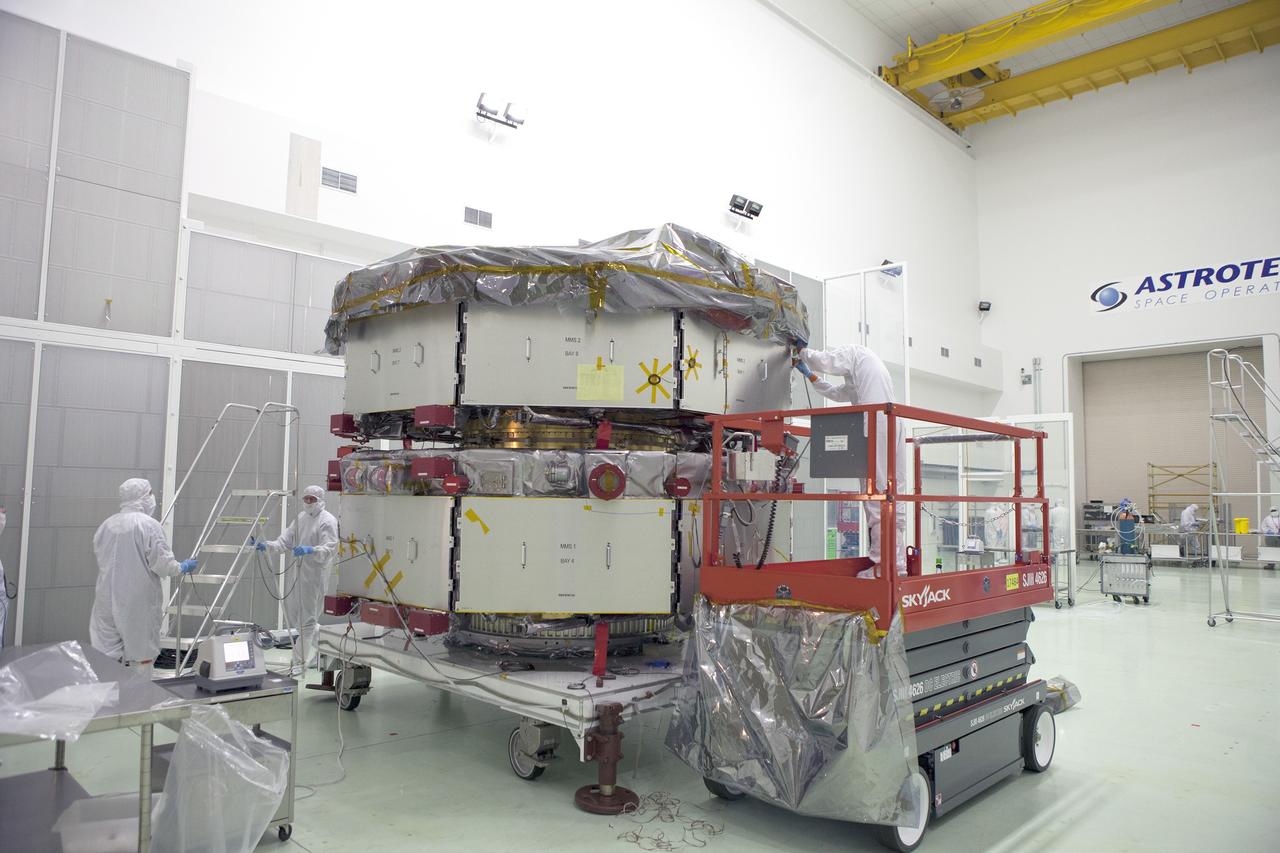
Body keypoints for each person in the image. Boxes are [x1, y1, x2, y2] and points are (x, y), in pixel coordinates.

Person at [794, 342, 906, 577]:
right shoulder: (863, 371)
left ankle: (881, 567)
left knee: (876, 496)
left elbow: (826, 361)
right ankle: (897, 564)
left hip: (876, 427)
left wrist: (802, 351)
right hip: (894, 424)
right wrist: (810, 376)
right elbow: (837, 393)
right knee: (895, 496)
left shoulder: (855, 352)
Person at [90, 479, 197, 679]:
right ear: (142, 497)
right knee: (142, 655)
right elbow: (162, 562)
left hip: (105, 598)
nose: (152, 498)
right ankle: (139, 701)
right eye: (150, 494)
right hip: (136, 601)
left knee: (106, 652)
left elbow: (100, 554)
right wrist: (180, 567)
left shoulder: (107, 525)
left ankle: (107, 701)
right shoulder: (148, 525)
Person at [256, 485, 338, 674]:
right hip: (299, 574)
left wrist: (312, 550)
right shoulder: (300, 518)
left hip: (316, 575)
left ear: (320, 500)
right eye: (306, 499)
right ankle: (331, 648)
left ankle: (298, 663)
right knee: (298, 618)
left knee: (307, 622)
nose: (308, 502)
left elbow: (330, 548)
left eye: (312, 499)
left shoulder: (327, 520)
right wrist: (267, 545)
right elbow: (284, 542)